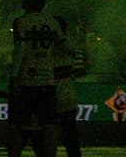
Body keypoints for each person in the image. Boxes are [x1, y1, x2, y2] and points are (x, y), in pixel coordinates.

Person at [7, 0, 65, 157]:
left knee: (16, 125)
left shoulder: (20, 22)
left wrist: (13, 77)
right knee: (49, 125)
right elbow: (64, 46)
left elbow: (20, 50)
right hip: (47, 81)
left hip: (25, 80)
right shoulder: (52, 22)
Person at [54, 17, 82, 157]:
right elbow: (79, 71)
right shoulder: (70, 46)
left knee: (47, 135)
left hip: (53, 96)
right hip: (67, 96)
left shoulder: (56, 47)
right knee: (70, 136)